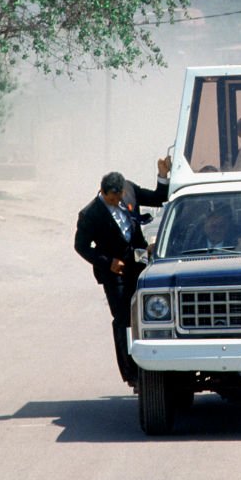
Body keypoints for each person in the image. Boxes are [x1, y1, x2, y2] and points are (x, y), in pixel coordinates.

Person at [74, 158, 170, 386]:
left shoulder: (130, 191)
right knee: (123, 318)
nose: (116, 202)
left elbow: (159, 198)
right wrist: (107, 262)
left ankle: (152, 364)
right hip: (114, 272)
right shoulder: (90, 214)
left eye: (119, 197)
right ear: (102, 192)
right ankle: (131, 373)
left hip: (138, 264)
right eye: (111, 199)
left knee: (147, 314)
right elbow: (81, 246)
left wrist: (162, 176)